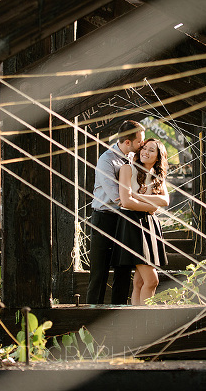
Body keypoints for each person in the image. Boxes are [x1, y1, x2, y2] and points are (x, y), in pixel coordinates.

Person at [86, 120, 146, 304]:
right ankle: (90, 317)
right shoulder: (107, 160)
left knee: (123, 269)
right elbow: (117, 197)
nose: (142, 145)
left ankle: (118, 312)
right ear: (127, 142)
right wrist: (147, 203)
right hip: (104, 218)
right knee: (99, 272)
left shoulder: (132, 159)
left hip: (125, 219)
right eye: (139, 142)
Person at [111, 138, 170, 305]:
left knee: (140, 282)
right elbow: (126, 202)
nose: (145, 152)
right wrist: (151, 205)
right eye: (144, 148)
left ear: (159, 156)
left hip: (149, 224)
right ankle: (146, 319)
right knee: (152, 281)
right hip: (131, 224)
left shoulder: (158, 176)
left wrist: (135, 196)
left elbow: (165, 201)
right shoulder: (127, 169)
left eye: (151, 150)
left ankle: (135, 317)